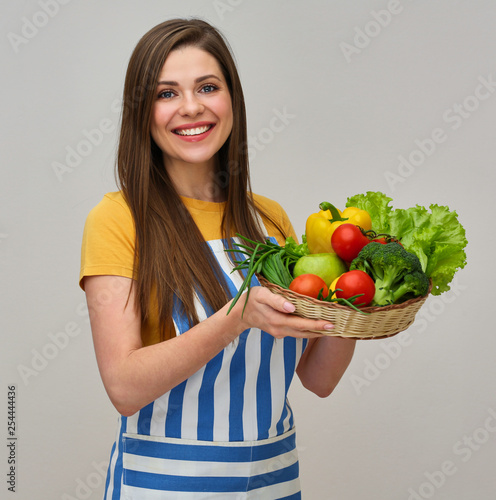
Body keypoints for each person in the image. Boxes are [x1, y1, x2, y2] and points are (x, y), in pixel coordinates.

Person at [79, 18, 356, 499]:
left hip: (272, 480)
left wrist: (356, 301)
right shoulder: (119, 219)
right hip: (167, 485)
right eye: (167, 93)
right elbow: (123, 387)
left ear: (233, 101)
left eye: (208, 87)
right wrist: (238, 317)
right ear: (142, 112)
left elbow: (318, 379)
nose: (191, 107)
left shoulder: (268, 221)